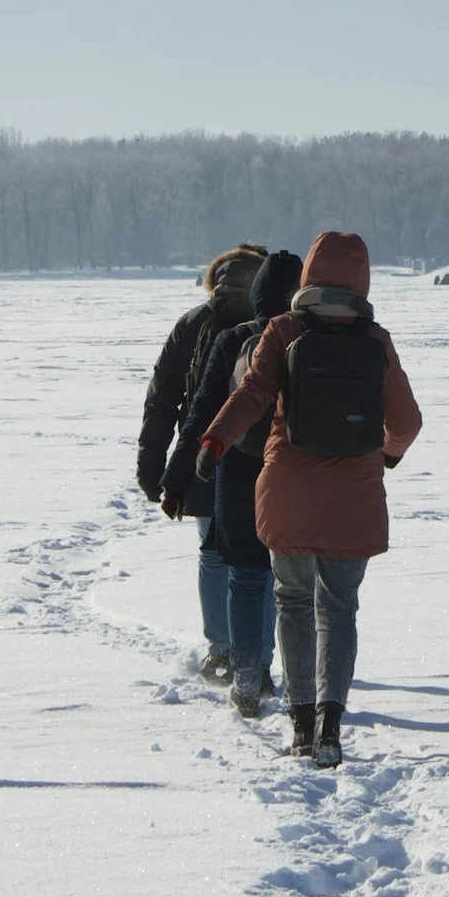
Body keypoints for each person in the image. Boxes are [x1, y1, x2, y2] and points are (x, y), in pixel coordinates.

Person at [204, 232, 422, 768]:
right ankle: (330, 725)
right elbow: (408, 422)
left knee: (294, 602)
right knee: (340, 609)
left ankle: (299, 723)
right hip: (355, 496)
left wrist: (215, 439)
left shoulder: (282, 331)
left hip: (288, 490)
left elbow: (250, 394)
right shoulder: (376, 341)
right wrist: (385, 456)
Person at [162, 250, 302, 719]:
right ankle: (270, 668)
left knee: (245, 575)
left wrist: (178, 478)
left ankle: (245, 673)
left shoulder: (231, 340)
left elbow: (200, 412)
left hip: (238, 469)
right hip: (298, 472)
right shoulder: (311, 336)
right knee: (288, 582)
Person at [137, 242, 268, 684]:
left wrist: (153, 466)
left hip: (202, 457)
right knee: (260, 559)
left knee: (213, 554)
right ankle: (259, 656)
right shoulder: (276, 324)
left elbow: (161, 401)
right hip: (263, 456)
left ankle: (221, 649)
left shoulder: (193, 323)